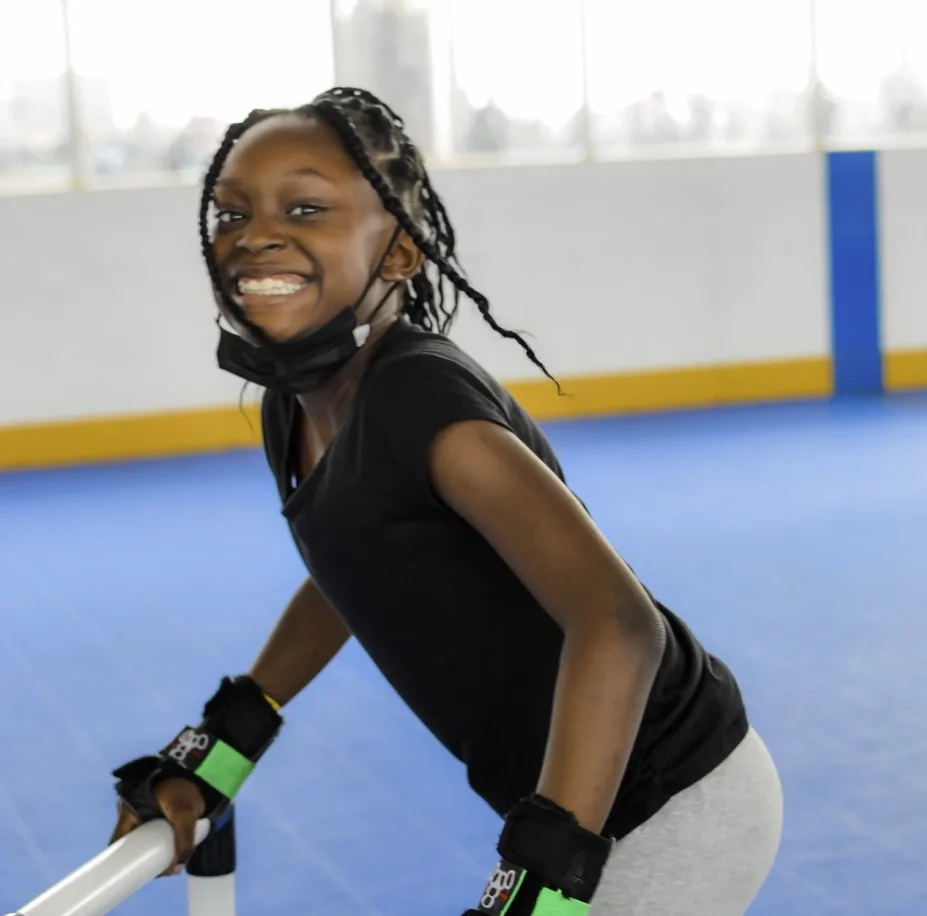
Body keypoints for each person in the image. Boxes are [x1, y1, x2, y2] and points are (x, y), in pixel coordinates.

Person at [108, 87, 783, 915]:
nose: (256, 236)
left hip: (668, 804)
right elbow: (357, 562)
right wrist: (224, 746)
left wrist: (543, 879)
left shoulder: (426, 409)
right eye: (230, 213)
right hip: (596, 806)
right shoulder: (296, 402)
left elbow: (619, 624)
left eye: (306, 206)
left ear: (399, 252)